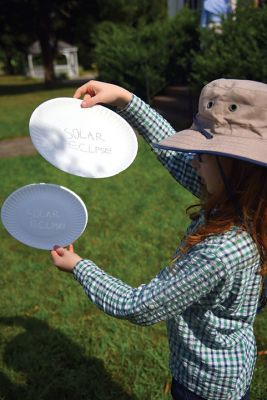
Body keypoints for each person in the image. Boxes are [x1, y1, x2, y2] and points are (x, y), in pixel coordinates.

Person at [51, 78, 267, 400]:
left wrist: (80, 267)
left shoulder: (221, 251)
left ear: (235, 169)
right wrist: (126, 100)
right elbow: (172, 155)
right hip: (227, 365)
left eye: (202, 156)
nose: (193, 161)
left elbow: (140, 306)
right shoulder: (247, 205)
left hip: (205, 382)